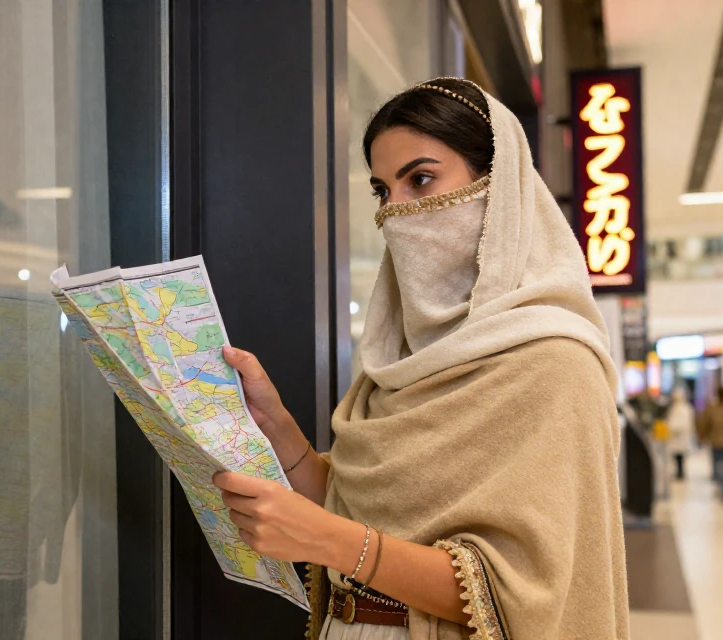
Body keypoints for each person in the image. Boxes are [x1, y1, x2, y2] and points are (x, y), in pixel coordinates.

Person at [214, 77, 629, 639]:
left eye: (422, 179)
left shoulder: (556, 364)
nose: (397, 211)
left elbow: (527, 597)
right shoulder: (403, 360)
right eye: (382, 191)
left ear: (498, 190)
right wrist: (278, 429)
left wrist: (331, 541)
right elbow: (363, 510)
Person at [666, 385, 697, 480]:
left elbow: (681, 423)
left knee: (680, 456)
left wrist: (671, 427)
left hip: (680, 437)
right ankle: (679, 472)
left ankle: (680, 473)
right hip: (677, 437)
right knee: (677, 456)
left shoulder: (682, 409)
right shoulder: (678, 407)